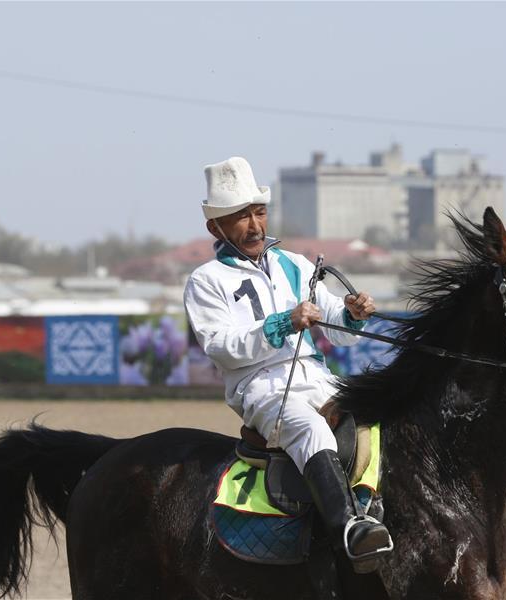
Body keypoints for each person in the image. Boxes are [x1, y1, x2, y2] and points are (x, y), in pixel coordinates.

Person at [183, 156, 392, 572]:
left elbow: (338, 326)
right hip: (261, 389)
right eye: (240, 217)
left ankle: (378, 504)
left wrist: (353, 312)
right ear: (215, 227)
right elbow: (221, 346)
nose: (255, 225)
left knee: (380, 409)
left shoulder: (293, 264)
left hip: (318, 377)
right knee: (310, 428)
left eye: (258, 212)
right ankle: (349, 527)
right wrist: (283, 322)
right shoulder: (205, 281)